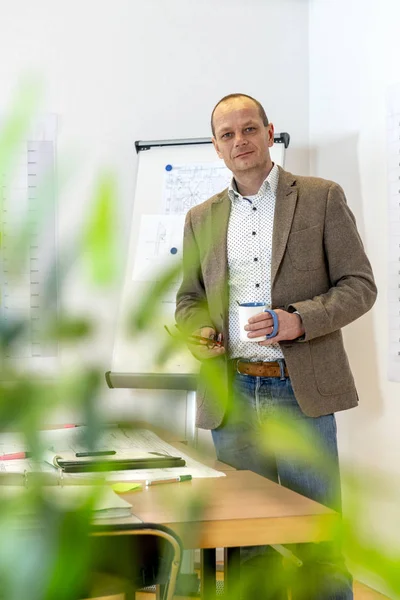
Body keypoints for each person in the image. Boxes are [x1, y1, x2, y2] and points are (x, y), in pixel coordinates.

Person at [175, 93, 377, 599]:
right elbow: (188, 301)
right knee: (247, 544)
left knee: (318, 537)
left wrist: (298, 321)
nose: (239, 141)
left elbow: (359, 285)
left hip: (299, 392)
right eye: (227, 135)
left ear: (269, 132)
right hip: (233, 395)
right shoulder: (202, 217)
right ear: (217, 148)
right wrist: (198, 332)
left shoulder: (319, 196)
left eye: (249, 129)